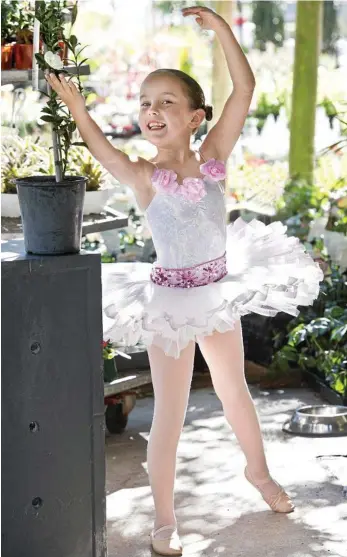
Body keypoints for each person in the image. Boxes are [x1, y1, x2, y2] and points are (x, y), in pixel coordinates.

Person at [46, 6, 323, 556]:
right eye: (146, 103)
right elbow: (100, 147)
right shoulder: (144, 175)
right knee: (169, 411)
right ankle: (165, 518)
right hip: (171, 301)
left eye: (167, 102)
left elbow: (244, 87)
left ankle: (259, 472)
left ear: (197, 117)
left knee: (233, 391)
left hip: (217, 291)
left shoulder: (215, 154)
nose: (152, 111)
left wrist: (221, 29)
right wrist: (77, 107)